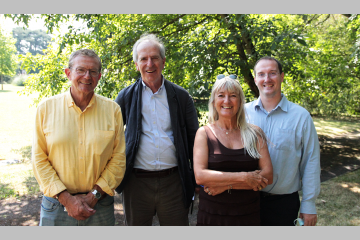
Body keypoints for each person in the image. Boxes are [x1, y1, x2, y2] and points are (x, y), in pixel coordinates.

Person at [32, 49, 126, 226]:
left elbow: (118, 159)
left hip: (99, 205)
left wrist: (94, 196)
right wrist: (66, 199)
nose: (87, 76)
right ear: (68, 73)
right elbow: (39, 159)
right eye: (81, 70)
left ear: (99, 77)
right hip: (56, 206)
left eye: (93, 71)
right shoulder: (46, 109)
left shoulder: (113, 110)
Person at [114, 33, 199, 226]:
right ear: (136, 64)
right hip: (136, 183)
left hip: (174, 182)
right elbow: (111, 139)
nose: (149, 64)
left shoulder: (181, 96)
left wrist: (196, 177)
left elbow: (194, 138)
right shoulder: (125, 97)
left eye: (154, 58)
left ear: (163, 61)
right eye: (143, 59)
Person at [245, 56, 321, 226]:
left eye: (273, 73)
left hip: (283, 204)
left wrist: (309, 204)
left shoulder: (301, 116)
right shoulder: (243, 114)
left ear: (282, 76)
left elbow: (311, 161)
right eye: (262, 74)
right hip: (245, 200)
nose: (267, 79)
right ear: (255, 78)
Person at [193, 74, 273, 226]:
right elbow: (200, 177)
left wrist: (224, 185)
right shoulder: (204, 133)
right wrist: (244, 178)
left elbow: (268, 176)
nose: (227, 101)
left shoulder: (255, 133)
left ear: (241, 101)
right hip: (213, 215)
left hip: (247, 215)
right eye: (221, 95)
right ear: (214, 101)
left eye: (233, 96)